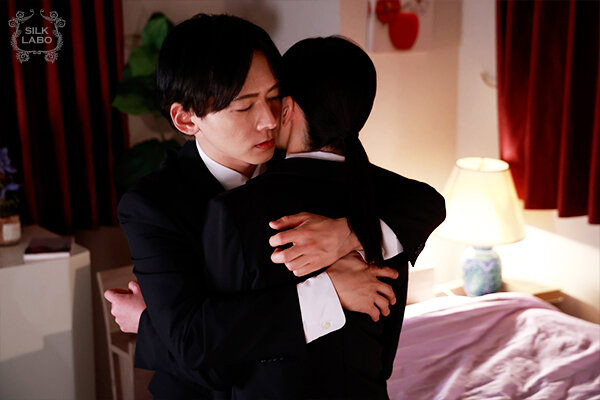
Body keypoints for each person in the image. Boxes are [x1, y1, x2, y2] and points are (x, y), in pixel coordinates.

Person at [107, 14, 416, 399]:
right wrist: (329, 293)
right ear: (186, 119)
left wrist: (347, 233)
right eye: (244, 107)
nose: (269, 120)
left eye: (273, 97)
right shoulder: (154, 206)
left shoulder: (301, 158)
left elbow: (418, 201)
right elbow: (195, 345)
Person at [198, 35, 445, 398]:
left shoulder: (234, 210)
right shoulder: (393, 205)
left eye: (274, 97)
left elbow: (219, 368)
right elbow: (384, 356)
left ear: (288, 108)